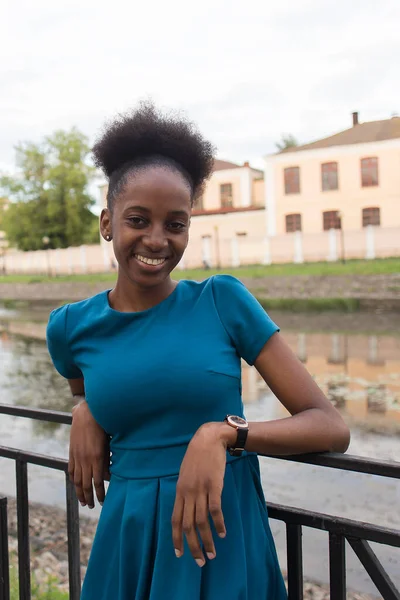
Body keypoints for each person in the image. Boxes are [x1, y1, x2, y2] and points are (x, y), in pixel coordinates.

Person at [46, 102, 350, 600]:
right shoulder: (70, 328)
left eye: (176, 224)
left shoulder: (222, 301)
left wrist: (223, 436)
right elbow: (90, 385)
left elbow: (331, 427)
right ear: (107, 223)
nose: (157, 239)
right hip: (131, 536)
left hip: (221, 538)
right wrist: (85, 409)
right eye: (138, 220)